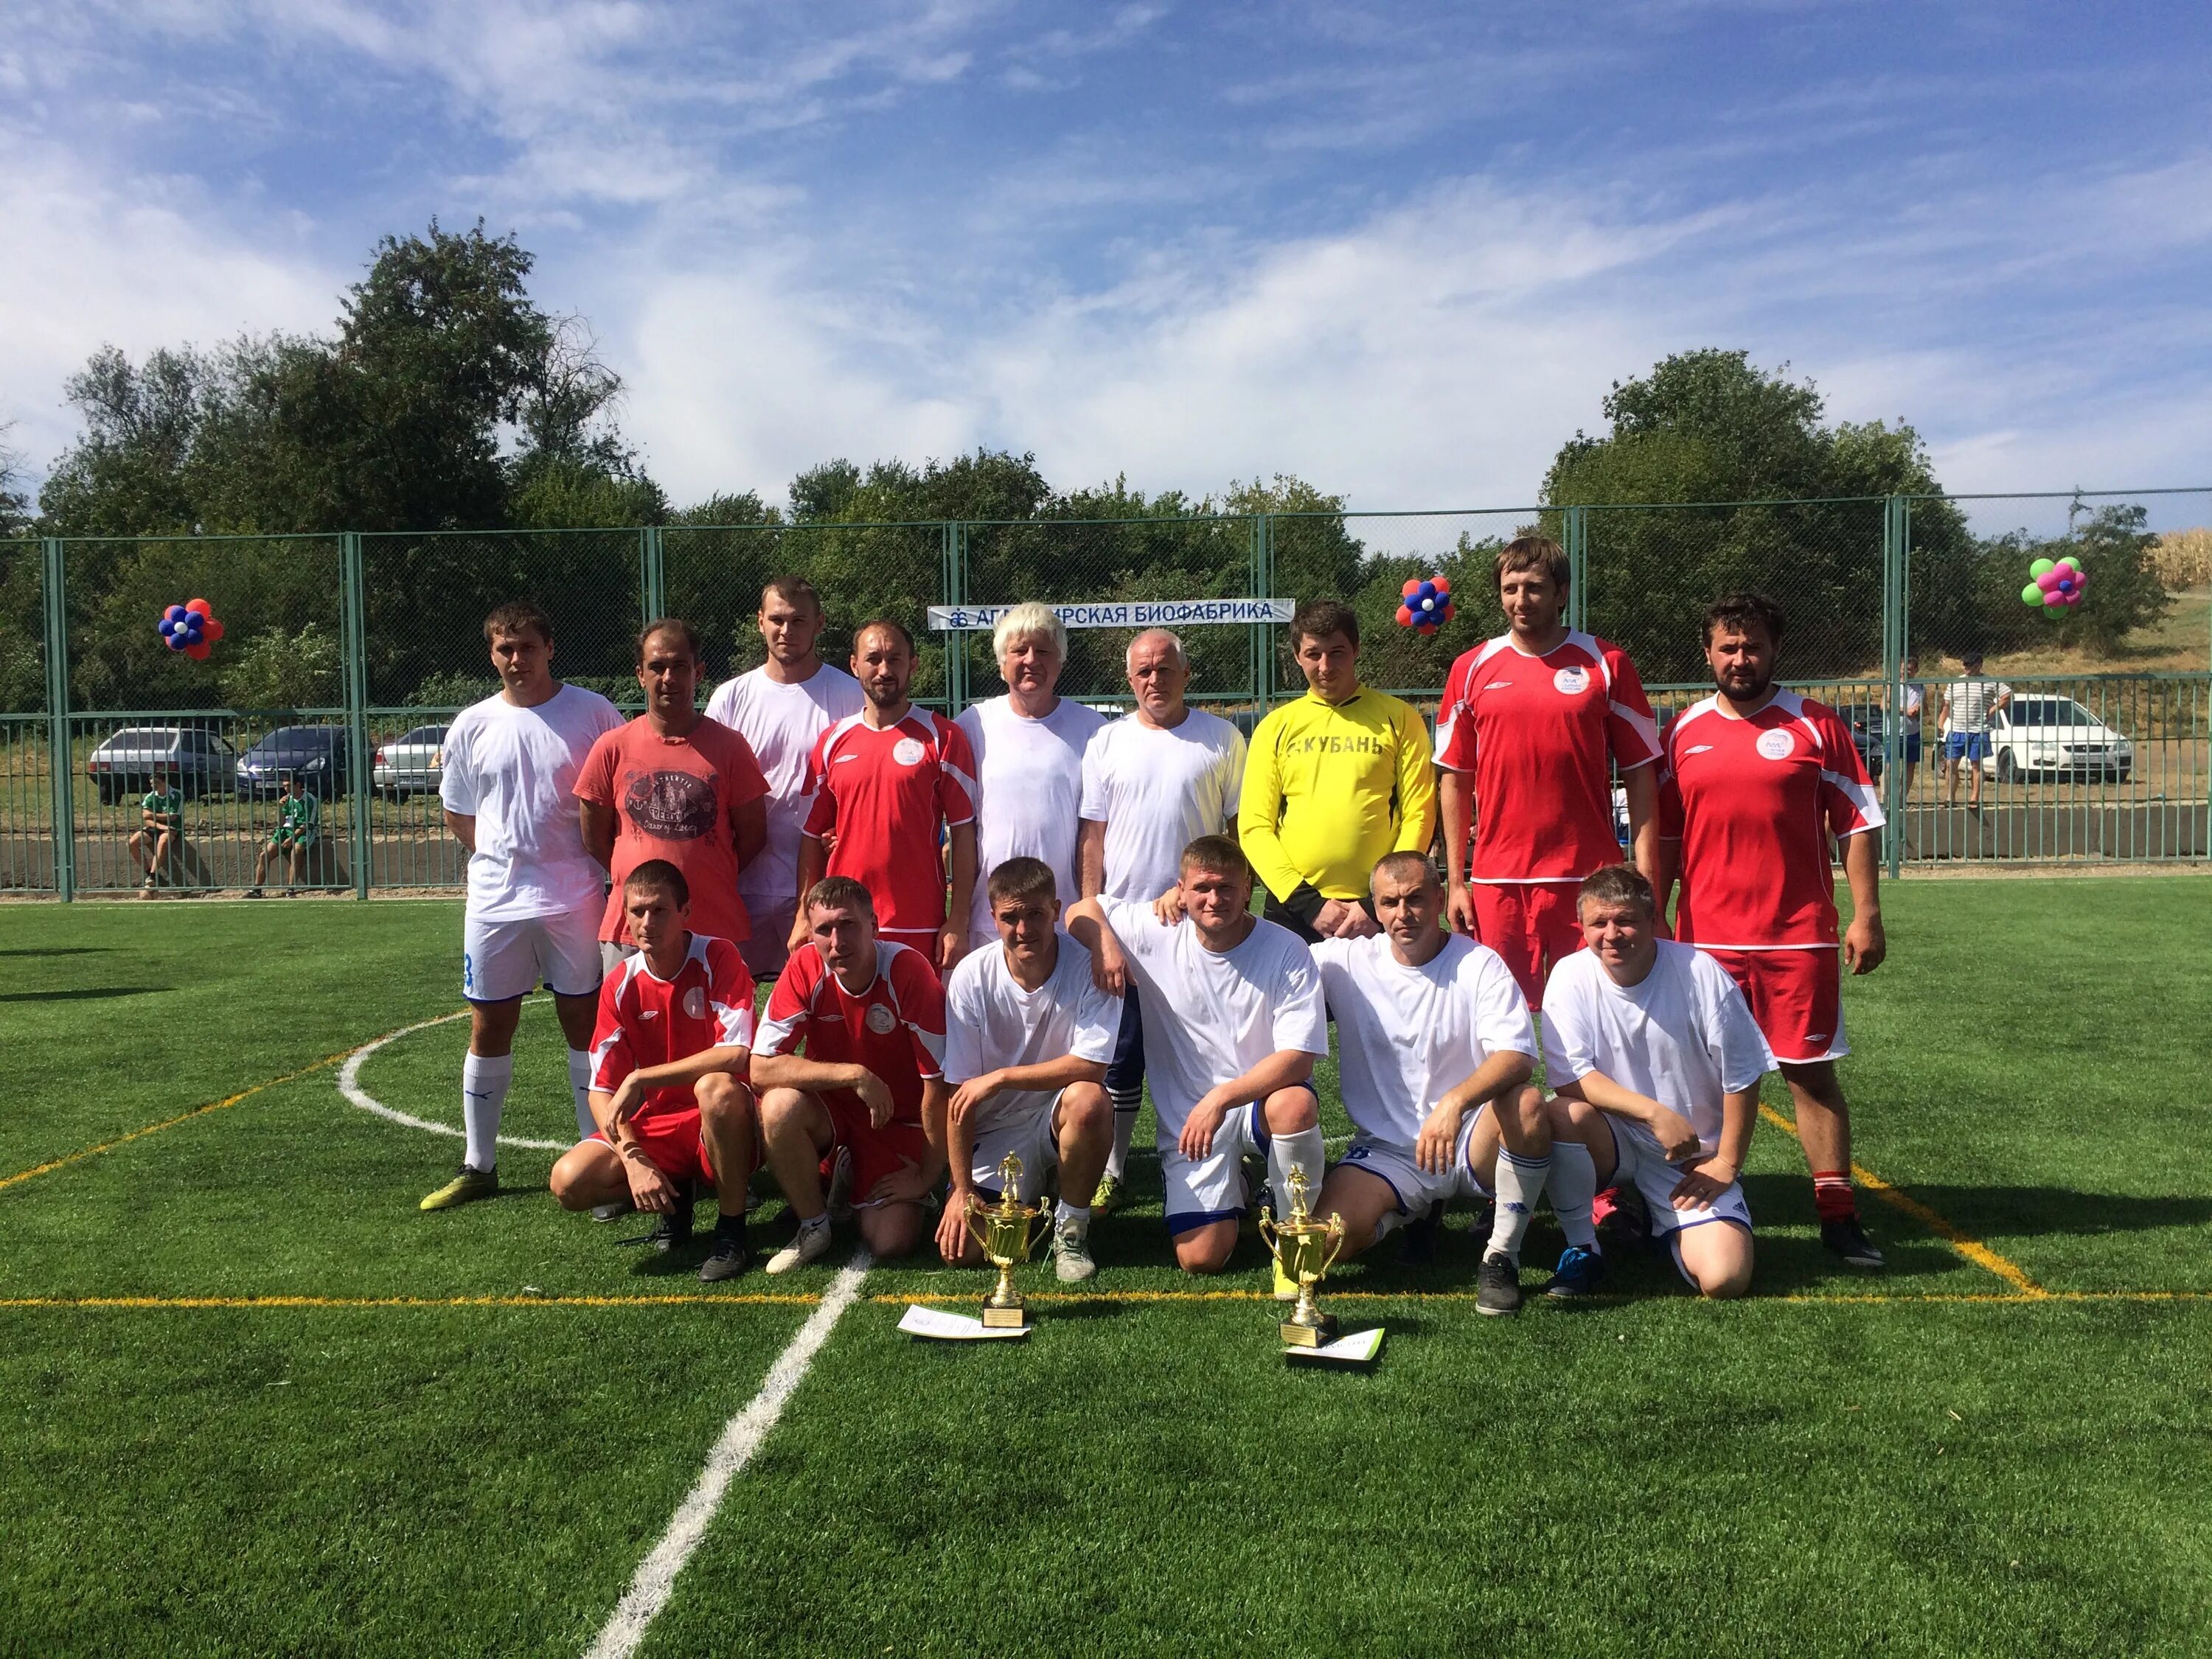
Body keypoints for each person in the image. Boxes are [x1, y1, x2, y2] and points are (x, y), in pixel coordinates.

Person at [1652, 591, 1888, 1269]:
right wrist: (1660, 915)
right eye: (1727, 647)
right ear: (1707, 654)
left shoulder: (1816, 725)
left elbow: (1858, 822)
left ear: (1773, 649)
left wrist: (1867, 913)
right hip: (1705, 943)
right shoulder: (1684, 731)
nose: (1740, 659)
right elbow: (1667, 830)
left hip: (1797, 937)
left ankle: (1839, 1218)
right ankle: (1684, 1202)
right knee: (1691, 1079)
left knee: (1809, 1077)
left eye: (1752, 646)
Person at [1312, 853, 1601, 1315]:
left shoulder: (1478, 963)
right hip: (1389, 1149)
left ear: (1440, 899)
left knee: (1527, 1105)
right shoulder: (1343, 961)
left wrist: (1455, 1102)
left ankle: (1501, 1256)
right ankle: (1411, 1211)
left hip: (1469, 1137)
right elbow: (1269, 959)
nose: (1402, 914)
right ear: (1374, 907)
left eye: (1415, 900)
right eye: (1389, 903)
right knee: (1324, 1245)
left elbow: (1518, 1057)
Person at [423, 600, 625, 1211]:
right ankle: (477, 1165)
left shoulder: (593, 712)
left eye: (527, 648)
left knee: (585, 1026)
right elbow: (459, 810)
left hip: (577, 896)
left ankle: (596, 1156)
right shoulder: (472, 723)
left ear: (549, 649)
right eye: (505, 650)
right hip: (495, 900)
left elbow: (614, 800)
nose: (517, 660)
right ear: (492, 654)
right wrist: (502, 859)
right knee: (489, 1027)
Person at [1067, 835, 1329, 1280]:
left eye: (1226, 888)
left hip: (1254, 1105)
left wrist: (1221, 1098)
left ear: (1248, 889)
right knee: (1200, 1258)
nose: (1214, 900)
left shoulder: (1286, 949)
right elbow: (1079, 911)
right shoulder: (1156, 930)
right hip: (1190, 1123)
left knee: (1295, 1104)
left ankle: (1292, 1241)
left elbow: (1299, 1060)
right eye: (1203, 888)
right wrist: (1106, 943)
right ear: (1180, 890)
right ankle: (1244, 1186)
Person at [1433, 536, 1663, 1010]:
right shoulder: (1469, 668)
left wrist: (1646, 880)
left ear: (1561, 593)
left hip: (1589, 879)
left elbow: (1641, 775)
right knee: (1497, 1027)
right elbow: (1455, 779)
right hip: (1499, 882)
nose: (1521, 600)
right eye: (1510, 587)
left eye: (1534, 587)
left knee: (1605, 1016)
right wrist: (1458, 882)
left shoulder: (1607, 663)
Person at [1076, 627, 1247, 1213]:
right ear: (1129, 679)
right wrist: (1095, 910)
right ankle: (1114, 1170)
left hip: (1196, 923)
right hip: (1123, 924)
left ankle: (1229, 1156)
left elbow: (1233, 836)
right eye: (1144, 671)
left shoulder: (1221, 738)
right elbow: (1092, 838)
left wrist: (1216, 900)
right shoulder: (1106, 742)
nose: (1155, 679)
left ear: (1186, 674)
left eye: (1165, 668)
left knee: (1207, 1048)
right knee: (1120, 1052)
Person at [1540, 865, 1769, 1299]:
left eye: (1625, 920)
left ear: (1651, 921)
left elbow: (1742, 1073)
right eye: (1599, 923)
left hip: (1690, 1158)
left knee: (1726, 1279)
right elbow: (1571, 1077)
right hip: (1616, 1139)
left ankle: (1656, 1218)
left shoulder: (1700, 972)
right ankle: (1584, 1248)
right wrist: (1654, 1112)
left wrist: (1725, 1164)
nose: (1612, 934)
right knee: (1561, 1113)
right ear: (1582, 926)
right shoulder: (1570, 975)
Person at [548, 861, 761, 1281]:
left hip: (724, 1121)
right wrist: (632, 1158)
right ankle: (676, 1197)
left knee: (715, 1089)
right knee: (568, 1181)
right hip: (659, 1126)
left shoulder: (718, 956)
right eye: (637, 911)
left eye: (660, 910)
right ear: (625, 917)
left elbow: (737, 1054)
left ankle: (731, 1228)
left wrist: (644, 1077)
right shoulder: (621, 982)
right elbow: (600, 1089)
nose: (647, 922)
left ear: (685, 912)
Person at [936, 858, 1118, 1284]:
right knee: (964, 1251)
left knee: (1090, 1100)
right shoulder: (970, 977)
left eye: (1035, 914)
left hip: (1058, 1113)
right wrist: (961, 1190)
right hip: (997, 1129)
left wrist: (1001, 1077)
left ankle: (1071, 1230)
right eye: (1010, 917)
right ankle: (1046, 1187)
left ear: (1056, 909)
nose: (1023, 929)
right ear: (993, 917)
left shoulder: (1089, 965)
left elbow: (1092, 1064)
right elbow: (958, 1095)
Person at [753, 876, 950, 1271]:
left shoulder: (908, 971)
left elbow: (940, 1082)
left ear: (873, 926)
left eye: (848, 925)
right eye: (824, 930)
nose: (837, 940)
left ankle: (852, 1185)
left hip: (900, 1120)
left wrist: (928, 1176)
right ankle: (814, 1225)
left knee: (891, 1242)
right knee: (778, 1105)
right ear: (812, 934)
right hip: (836, 1114)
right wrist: (854, 1075)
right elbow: (760, 1068)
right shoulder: (804, 966)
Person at [1239, 599, 1436, 944]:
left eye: (1337, 652)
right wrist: (1308, 904)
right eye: (1314, 654)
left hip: (1378, 911)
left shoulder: (1401, 718)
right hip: (1295, 910)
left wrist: (1379, 900)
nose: (1325, 666)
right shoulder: (1276, 727)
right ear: (1298, 656)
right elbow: (1255, 826)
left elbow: (1418, 814)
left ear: (1356, 650)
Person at [578, 618, 769, 972]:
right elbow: (594, 837)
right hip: (631, 932)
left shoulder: (730, 748)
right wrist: (640, 875)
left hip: (715, 926)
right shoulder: (612, 748)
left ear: (699, 672)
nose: (669, 678)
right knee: (629, 1028)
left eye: (680, 666)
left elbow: (753, 836)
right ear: (640, 675)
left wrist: (707, 871)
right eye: (657, 667)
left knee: (721, 1029)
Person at [789, 619, 978, 974]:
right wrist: (803, 915)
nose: (884, 670)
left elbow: (964, 833)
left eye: (895, 659)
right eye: (873, 658)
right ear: (854, 664)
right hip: (843, 920)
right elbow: (812, 836)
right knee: (847, 1024)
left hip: (918, 920)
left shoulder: (942, 736)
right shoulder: (832, 741)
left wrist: (958, 919)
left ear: (913, 664)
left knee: (919, 1025)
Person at [703, 577, 866, 982]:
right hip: (743, 883)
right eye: (776, 619)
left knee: (829, 999)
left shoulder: (850, 695)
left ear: (820, 624)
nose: (786, 630)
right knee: (731, 1004)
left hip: (827, 885)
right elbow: (710, 788)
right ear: (760, 622)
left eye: (798, 620)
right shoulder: (731, 697)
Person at [956, 603, 1105, 954]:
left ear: (1061, 662)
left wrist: (1089, 907)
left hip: (1063, 919)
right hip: (988, 920)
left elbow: (1096, 830)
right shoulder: (973, 724)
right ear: (1001, 662)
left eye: (1043, 650)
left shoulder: (1093, 729)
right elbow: (956, 823)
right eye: (1019, 650)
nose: (1030, 660)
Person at [1941, 649, 2011, 810]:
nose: (1966, 667)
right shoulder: (1956, 682)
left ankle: (1974, 798)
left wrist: (1993, 709)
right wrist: (1941, 723)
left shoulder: (1990, 682)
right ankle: (1950, 797)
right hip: (1957, 729)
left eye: (1970, 664)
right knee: (1951, 764)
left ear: (1979, 665)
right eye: (1964, 664)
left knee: (1976, 765)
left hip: (1979, 730)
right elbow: (1946, 705)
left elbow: (2007, 696)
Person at [243, 771, 319, 897]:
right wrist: (280, 808)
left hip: (303, 831)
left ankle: (291, 889)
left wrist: (292, 838)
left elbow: (306, 825)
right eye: (285, 786)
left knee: (297, 851)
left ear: (298, 785)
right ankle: (257, 889)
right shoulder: (287, 799)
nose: (286, 789)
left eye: (289, 785)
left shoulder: (309, 800)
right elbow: (281, 823)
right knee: (264, 855)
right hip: (285, 830)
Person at [129, 763, 186, 897]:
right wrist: (161, 825)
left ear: (165, 782)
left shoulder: (176, 795)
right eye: (151, 783)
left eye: (157, 783)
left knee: (163, 841)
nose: (154, 786)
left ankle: (153, 875)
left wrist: (153, 815)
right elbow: (146, 818)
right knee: (132, 843)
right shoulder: (150, 797)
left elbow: (172, 817)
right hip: (157, 827)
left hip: (172, 829)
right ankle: (150, 873)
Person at [1898, 653, 1927, 799]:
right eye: (1903, 669)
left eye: (1909, 669)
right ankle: (1886, 799)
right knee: (1889, 766)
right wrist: (1906, 710)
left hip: (1913, 732)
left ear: (1915, 670)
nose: (1905, 672)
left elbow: (1926, 710)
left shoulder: (1920, 687)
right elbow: (1884, 705)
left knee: (1910, 766)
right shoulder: (1892, 684)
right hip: (1895, 732)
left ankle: (1902, 799)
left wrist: (1920, 709)